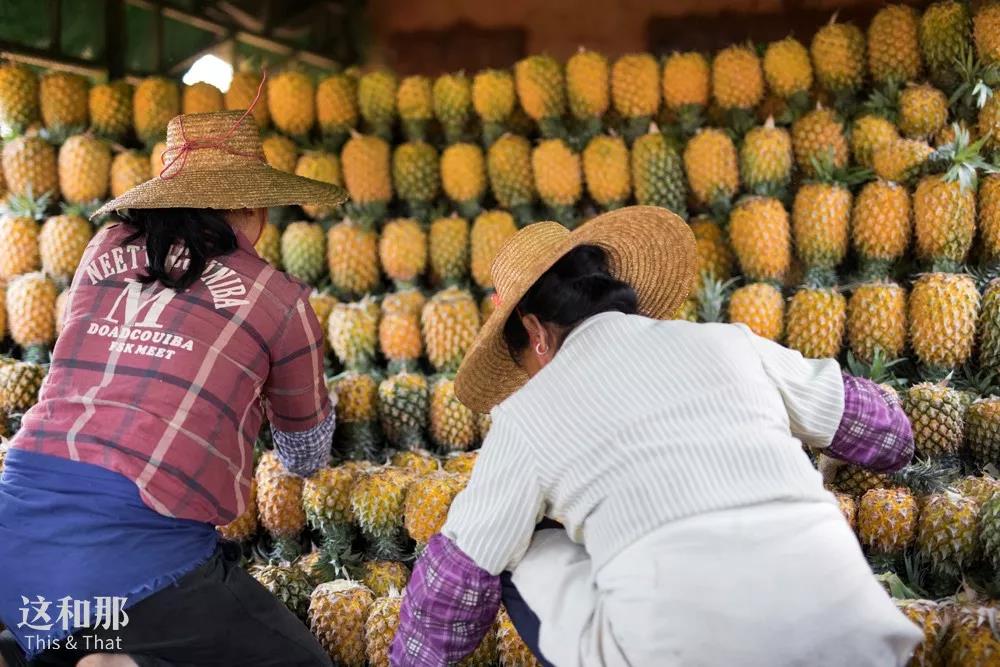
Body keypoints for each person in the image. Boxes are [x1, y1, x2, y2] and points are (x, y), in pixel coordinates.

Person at [390, 206, 923, 666]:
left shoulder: (525, 416)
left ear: (535, 333)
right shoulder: (730, 342)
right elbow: (886, 433)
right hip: (858, 638)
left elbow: (453, 589)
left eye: (523, 363)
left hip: (686, 655)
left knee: (513, 549)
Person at [0, 101, 346, 667]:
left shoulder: (102, 247)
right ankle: (112, 656)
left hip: (17, 534)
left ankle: (85, 654)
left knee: (91, 639)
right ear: (253, 208)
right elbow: (304, 456)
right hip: (137, 563)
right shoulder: (279, 300)